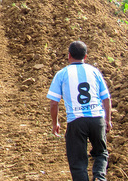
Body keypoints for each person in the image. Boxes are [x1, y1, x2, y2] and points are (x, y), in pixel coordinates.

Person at [47, 41, 112, 181]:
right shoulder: (94, 71)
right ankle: (100, 178)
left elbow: (54, 102)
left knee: (77, 161)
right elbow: (106, 98)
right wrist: (107, 120)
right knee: (101, 153)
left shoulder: (62, 74)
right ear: (86, 56)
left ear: (69, 55)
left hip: (76, 122)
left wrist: (55, 123)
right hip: (97, 118)